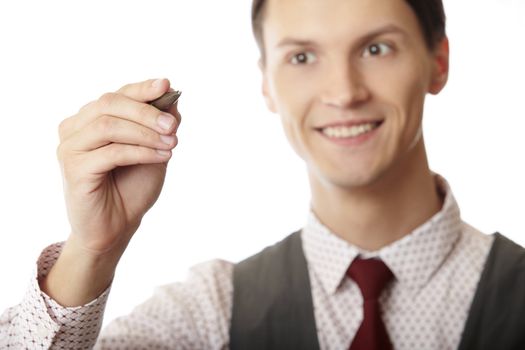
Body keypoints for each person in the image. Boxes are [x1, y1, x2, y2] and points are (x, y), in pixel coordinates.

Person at [2, 0, 525, 348]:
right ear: (268, 84)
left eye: (375, 48)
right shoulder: (211, 313)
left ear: (438, 62)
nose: (343, 91)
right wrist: (93, 249)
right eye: (302, 56)